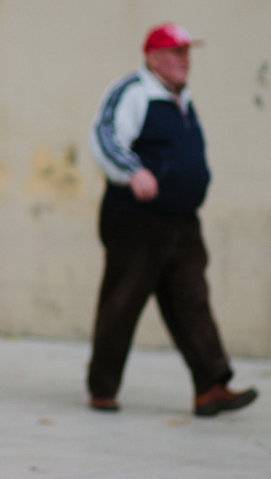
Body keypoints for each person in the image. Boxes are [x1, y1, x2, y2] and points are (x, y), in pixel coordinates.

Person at [86, 22, 257, 417]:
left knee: (191, 299)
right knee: (123, 301)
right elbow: (105, 135)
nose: (185, 60)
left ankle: (211, 386)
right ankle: (103, 389)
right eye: (177, 52)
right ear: (153, 57)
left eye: (187, 53)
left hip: (180, 219)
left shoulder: (181, 98)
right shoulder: (133, 91)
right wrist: (133, 171)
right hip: (137, 219)